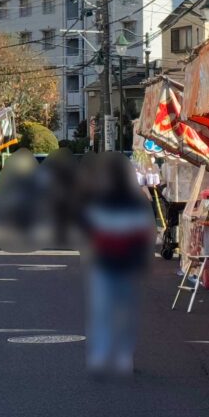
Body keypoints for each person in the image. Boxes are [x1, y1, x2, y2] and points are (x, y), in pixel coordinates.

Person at [79, 151, 155, 377]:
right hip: (129, 263)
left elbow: (87, 231)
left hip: (102, 263)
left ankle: (99, 358)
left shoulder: (96, 197)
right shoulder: (138, 199)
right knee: (126, 312)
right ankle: (123, 358)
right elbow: (146, 233)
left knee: (101, 312)